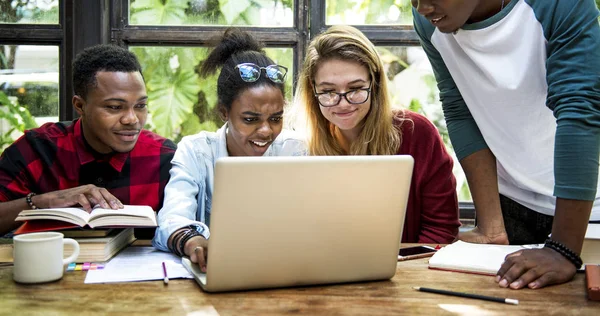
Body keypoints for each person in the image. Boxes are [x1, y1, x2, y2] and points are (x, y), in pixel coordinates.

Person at [411, 0, 600, 289]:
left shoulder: (560, 4)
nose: (421, 7)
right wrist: (491, 226)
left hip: (585, 211)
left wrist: (563, 248)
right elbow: (459, 106)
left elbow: (579, 109)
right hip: (511, 205)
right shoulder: (431, 20)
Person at [152, 28, 306, 271]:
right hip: (216, 274)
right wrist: (192, 241)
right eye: (250, 119)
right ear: (224, 113)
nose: (266, 131)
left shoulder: (295, 150)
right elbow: (171, 219)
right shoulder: (196, 151)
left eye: (276, 118)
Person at [293, 25, 460, 244]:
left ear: (375, 84)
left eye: (355, 89)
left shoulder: (416, 132)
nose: (343, 103)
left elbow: (441, 229)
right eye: (328, 92)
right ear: (312, 91)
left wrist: (402, 269)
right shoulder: (299, 146)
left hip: (409, 271)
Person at [0, 44, 176, 237]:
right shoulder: (35, 149)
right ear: (80, 105)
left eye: (141, 105)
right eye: (115, 107)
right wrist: (44, 202)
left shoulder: (164, 157)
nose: (132, 119)